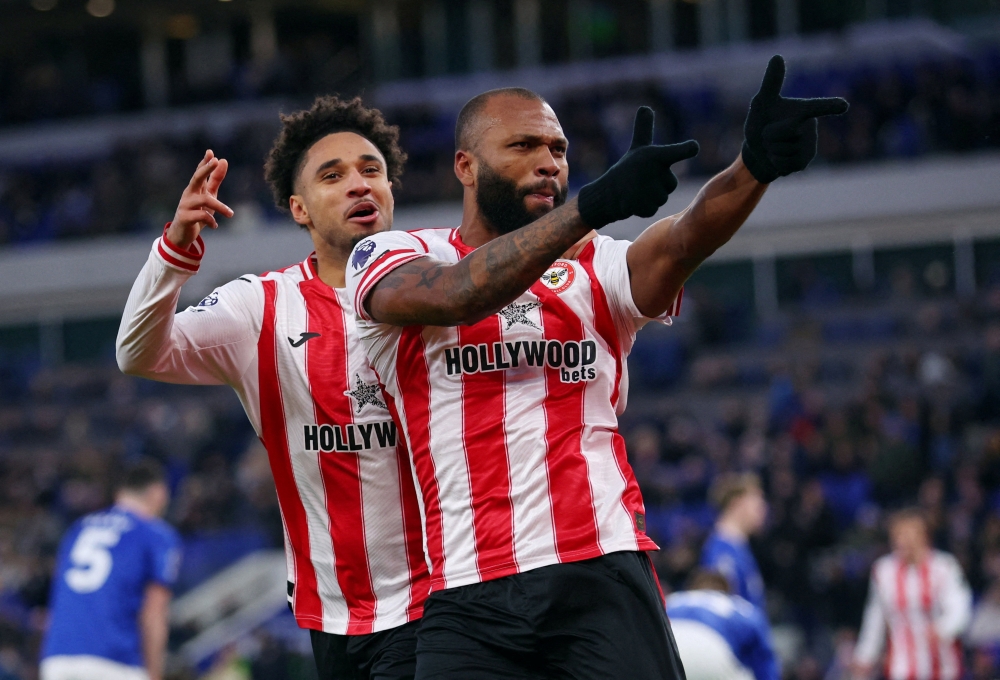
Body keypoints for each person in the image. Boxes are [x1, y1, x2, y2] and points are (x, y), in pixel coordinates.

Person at [346, 55, 848, 679]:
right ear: (465, 166)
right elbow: (457, 295)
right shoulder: (397, 253)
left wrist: (753, 170)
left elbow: (684, 237)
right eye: (523, 145)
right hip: (465, 591)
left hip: (600, 569)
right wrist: (591, 207)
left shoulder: (598, 266)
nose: (548, 161)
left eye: (557, 148)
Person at [116, 96, 429, 680]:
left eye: (371, 170)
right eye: (332, 176)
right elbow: (137, 352)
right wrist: (174, 251)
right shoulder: (260, 305)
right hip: (330, 613)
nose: (359, 185)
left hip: (442, 599)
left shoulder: (442, 277)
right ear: (299, 209)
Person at [40, 459, 180, 680]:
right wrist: (154, 673)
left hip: (58, 658)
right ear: (158, 493)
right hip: (114, 660)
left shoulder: (77, 529)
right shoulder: (154, 535)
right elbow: (154, 613)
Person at [852, 508, 972, 680]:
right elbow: (875, 618)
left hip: (942, 665)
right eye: (897, 534)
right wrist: (865, 655)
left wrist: (943, 629)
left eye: (908, 534)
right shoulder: (884, 571)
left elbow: (960, 607)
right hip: (901, 666)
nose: (902, 540)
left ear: (924, 536)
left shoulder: (944, 566)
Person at [667, 570, 779, 680]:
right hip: (713, 652)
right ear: (727, 591)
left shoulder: (673, 600)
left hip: (670, 650)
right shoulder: (739, 607)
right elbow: (764, 658)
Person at [700, 472, 768, 611]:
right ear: (737, 504)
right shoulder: (722, 555)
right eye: (757, 502)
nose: (763, 509)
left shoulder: (739, 548)